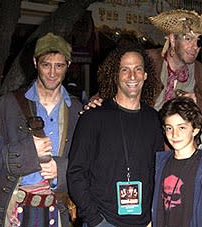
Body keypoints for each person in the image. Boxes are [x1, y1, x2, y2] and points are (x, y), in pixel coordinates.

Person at [0, 32, 82, 227]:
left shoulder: (78, 111)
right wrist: (26, 153)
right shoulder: (5, 106)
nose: (52, 73)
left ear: (68, 64)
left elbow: (87, 162)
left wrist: (61, 169)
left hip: (56, 212)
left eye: (59, 65)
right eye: (46, 65)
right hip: (12, 212)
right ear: (35, 63)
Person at [67, 43, 165, 227]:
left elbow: (157, 171)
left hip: (143, 222)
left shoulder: (153, 119)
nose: (132, 76)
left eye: (138, 69)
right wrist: (96, 220)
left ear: (145, 75)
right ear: (116, 75)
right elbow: (76, 173)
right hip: (103, 221)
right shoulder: (93, 117)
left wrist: (152, 217)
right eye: (125, 69)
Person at [85, 9, 202, 114]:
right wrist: (97, 101)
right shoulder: (147, 59)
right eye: (188, 39)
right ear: (173, 39)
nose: (195, 46)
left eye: (198, 41)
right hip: (142, 131)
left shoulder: (200, 71)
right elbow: (112, 87)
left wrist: (196, 102)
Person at [153, 96, 202, 227]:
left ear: (195, 130)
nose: (174, 134)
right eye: (169, 128)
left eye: (181, 127)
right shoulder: (161, 164)